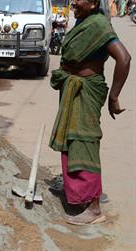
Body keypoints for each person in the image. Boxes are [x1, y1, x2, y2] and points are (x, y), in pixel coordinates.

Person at [49, 0, 131, 225]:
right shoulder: (82, 21)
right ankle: (78, 197)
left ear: (94, 4)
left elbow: (124, 58)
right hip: (73, 88)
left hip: (86, 91)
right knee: (72, 142)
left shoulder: (98, 24)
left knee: (84, 143)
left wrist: (114, 96)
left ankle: (94, 208)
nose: (74, 2)